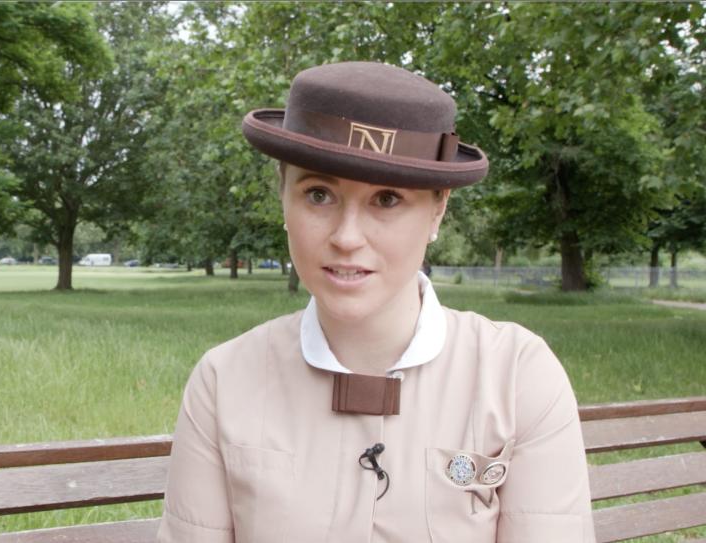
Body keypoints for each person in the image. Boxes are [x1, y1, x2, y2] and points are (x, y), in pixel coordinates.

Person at [157, 62, 595, 542]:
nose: (347, 237)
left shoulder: (517, 376)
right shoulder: (224, 382)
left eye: (387, 200)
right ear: (283, 194)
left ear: (438, 209)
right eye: (319, 194)